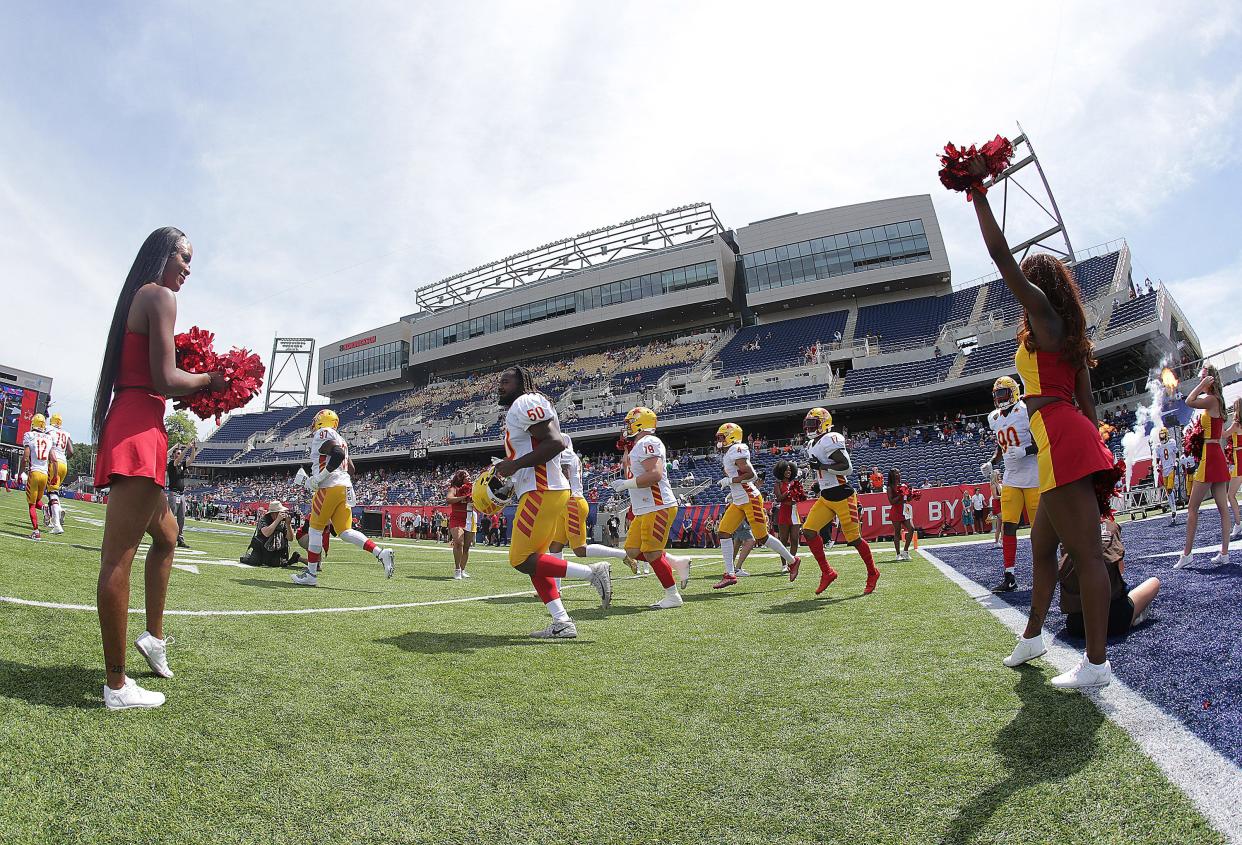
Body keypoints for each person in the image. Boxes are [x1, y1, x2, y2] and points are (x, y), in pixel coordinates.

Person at [968, 162, 1120, 690]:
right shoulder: (1064, 334)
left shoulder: (1044, 319)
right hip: (1064, 436)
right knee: (1040, 548)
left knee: (1084, 554)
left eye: (1028, 283)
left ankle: (1097, 666)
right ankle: (1033, 634)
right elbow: (1090, 405)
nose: (1022, 290)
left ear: (1039, 287)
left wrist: (978, 196)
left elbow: (999, 258)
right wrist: (1098, 458)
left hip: (1058, 437)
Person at [91, 227, 226, 710]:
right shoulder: (160, 295)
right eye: (184, 257)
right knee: (116, 560)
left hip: (134, 418)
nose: (188, 268)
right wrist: (213, 378)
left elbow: (156, 379)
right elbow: (165, 379)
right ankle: (116, 684)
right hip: (138, 429)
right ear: (163, 255)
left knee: (167, 535)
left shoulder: (139, 296)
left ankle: (153, 638)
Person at [491, 365, 611, 638]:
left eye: (506, 381)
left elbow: (555, 442)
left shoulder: (526, 401)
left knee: (520, 559)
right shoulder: (528, 403)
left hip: (542, 489)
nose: (500, 386)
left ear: (521, 384)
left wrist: (514, 465)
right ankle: (562, 622)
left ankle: (592, 573)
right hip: (543, 488)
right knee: (536, 560)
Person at [291, 409, 395, 586]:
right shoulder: (340, 438)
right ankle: (380, 553)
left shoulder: (324, 433)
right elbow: (351, 468)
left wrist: (319, 478)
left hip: (329, 488)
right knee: (344, 531)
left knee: (315, 530)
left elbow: (338, 455)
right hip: (344, 487)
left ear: (321, 421)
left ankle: (311, 574)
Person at [609, 408, 690, 608]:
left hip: (658, 505)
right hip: (645, 508)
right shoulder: (638, 445)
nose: (626, 427)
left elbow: (654, 475)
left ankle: (672, 596)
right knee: (632, 550)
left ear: (639, 423)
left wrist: (626, 484)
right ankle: (676, 562)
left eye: (629, 422)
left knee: (653, 553)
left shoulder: (648, 442)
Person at [798, 408, 880, 595]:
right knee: (809, 531)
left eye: (813, 424)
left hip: (843, 496)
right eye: (808, 424)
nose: (809, 428)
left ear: (824, 423)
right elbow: (820, 468)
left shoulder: (830, 438)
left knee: (854, 539)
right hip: (826, 496)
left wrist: (823, 466)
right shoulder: (811, 444)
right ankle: (827, 572)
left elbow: (847, 467)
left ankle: (873, 572)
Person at [711, 422, 799, 589]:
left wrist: (729, 481)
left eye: (722, 437)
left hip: (750, 498)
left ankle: (792, 561)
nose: (719, 441)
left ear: (731, 437)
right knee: (723, 532)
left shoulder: (737, 450)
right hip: (738, 500)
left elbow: (751, 475)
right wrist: (732, 490)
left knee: (762, 537)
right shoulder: (730, 452)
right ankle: (730, 574)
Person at [1059, 511, 1160, 638]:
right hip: (1114, 619)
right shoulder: (1110, 526)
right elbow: (1120, 569)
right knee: (1154, 582)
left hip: (1076, 624)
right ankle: (1134, 617)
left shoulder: (1067, 530)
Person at [983, 375, 1041, 592]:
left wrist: (1025, 450)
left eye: (1002, 393)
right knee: (1008, 526)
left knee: (1039, 529)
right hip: (1011, 479)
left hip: (1033, 477)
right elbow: (1001, 447)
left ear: (1013, 392)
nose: (998, 398)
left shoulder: (1026, 411)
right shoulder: (995, 418)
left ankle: (1044, 572)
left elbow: (1042, 442)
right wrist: (991, 461)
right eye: (996, 394)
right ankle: (1010, 575)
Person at [1174, 366, 1232, 568]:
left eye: (1203, 377)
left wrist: (1200, 385)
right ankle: (1224, 553)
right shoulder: (1218, 401)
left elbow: (1189, 401)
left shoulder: (1211, 399)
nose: (1200, 380)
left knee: (1192, 508)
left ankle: (1187, 554)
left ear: (1210, 380)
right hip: (1217, 454)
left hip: (1210, 457)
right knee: (1223, 508)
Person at [21, 414, 56, 540]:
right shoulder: (49, 437)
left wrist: (21, 472)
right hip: (45, 474)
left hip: (34, 472)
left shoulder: (29, 435)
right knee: (37, 502)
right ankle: (45, 508)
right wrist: (55, 475)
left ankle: (36, 532)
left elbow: (25, 457)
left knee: (31, 504)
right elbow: (54, 459)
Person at [240, 501, 300, 567]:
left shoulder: (283, 522)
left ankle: (292, 559)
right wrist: (277, 520)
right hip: (262, 549)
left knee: (277, 564)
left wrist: (288, 525)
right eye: (281, 512)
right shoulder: (264, 519)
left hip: (277, 550)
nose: (283, 514)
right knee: (255, 562)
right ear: (274, 513)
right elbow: (267, 533)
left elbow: (290, 538)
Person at [772, 460, 805, 573]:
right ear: (781, 471)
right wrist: (789, 492)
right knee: (783, 540)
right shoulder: (778, 484)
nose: (788, 472)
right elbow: (779, 498)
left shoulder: (795, 483)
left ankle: (792, 563)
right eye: (786, 470)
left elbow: (801, 498)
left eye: (790, 470)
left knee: (795, 539)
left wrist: (800, 494)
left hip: (794, 512)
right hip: (784, 511)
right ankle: (784, 565)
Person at [45, 412, 74, 534]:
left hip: (54, 462)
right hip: (64, 464)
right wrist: (63, 457)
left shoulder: (48, 429)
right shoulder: (66, 433)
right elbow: (71, 451)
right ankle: (57, 511)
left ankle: (56, 524)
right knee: (53, 491)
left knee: (52, 493)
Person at [166, 442, 198, 548]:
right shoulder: (172, 464)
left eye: (179, 453)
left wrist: (193, 449)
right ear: (174, 455)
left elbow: (191, 460)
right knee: (171, 517)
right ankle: (167, 537)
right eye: (177, 453)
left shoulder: (181, 467)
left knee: (181, 518)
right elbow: (179, 460)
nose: (179, 455)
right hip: (173, 494)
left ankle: (180, 539)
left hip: (181, 494)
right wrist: (186, 448)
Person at [446, 469, 474, 580]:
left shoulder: (473, 488)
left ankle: (462, 570)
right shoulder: (454, 488)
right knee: (458, 542)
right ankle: (457, 569)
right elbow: (449, 499)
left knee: (466, 547)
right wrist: (463, 497)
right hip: (457, 517)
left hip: (470, 517)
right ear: (460, 478)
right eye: (466, 476)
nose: (469, 477)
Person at [886, 468, 918, 561]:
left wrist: (912, 495)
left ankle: (905, 551)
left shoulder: (903, 485)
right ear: (892, 475)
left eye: (899, 472)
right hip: (896, 510)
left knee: (911, 528)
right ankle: (898, 554)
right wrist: (900, 494)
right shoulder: (890, 488)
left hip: (905, 509)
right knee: (897, 533)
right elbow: (892, 502)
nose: (898, 474)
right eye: (896, 473)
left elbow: (907, 499)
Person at [1153, 427, 1180, 526]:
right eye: (1160, 435)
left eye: (1163, 434)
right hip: (1164, 470)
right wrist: (1157, 466)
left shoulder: (1172, 442)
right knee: (1168, 492)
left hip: (1171, 467)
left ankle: (1173, 510)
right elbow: (1157, 458)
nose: (1161, 436)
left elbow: (1176, 452)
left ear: (1167, 434)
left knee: (1169, 489)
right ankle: (1173, 509)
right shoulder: (1158, 446)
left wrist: (1176, 462)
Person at [1225, 398, 1242, 541]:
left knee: (1230, 495)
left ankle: (1238, 523)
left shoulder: (1236, 424)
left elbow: (1223, 435)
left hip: (1240, 463)